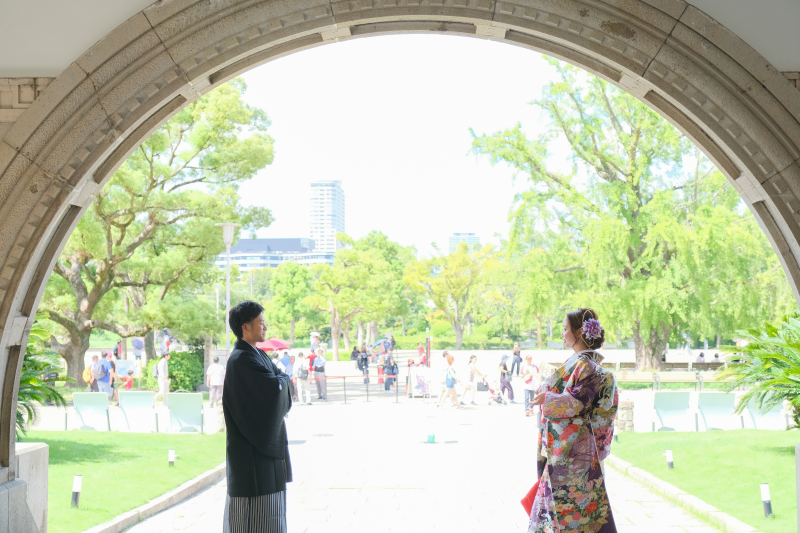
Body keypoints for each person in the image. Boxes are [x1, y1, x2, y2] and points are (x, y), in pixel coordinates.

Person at [525, 308, 618, 532]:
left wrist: (547, 398)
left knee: (568, 515)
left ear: (579, 333)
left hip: (574, 456)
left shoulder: (587, 366)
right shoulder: (584, 365)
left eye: (565, 329)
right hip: (575, 454)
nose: (562, 334)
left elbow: (576, 403)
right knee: (572, 514)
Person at [223, 300, 292, 533]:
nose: (265, 327)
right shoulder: (240, 360)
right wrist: (280, 383)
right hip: (250, 453)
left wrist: (280, 383)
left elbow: (281, 380)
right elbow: (275, 389)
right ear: (245, 327)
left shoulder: (256, 355)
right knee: (252, 521)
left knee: (271, 517)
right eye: (261, 323)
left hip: (264, 448)